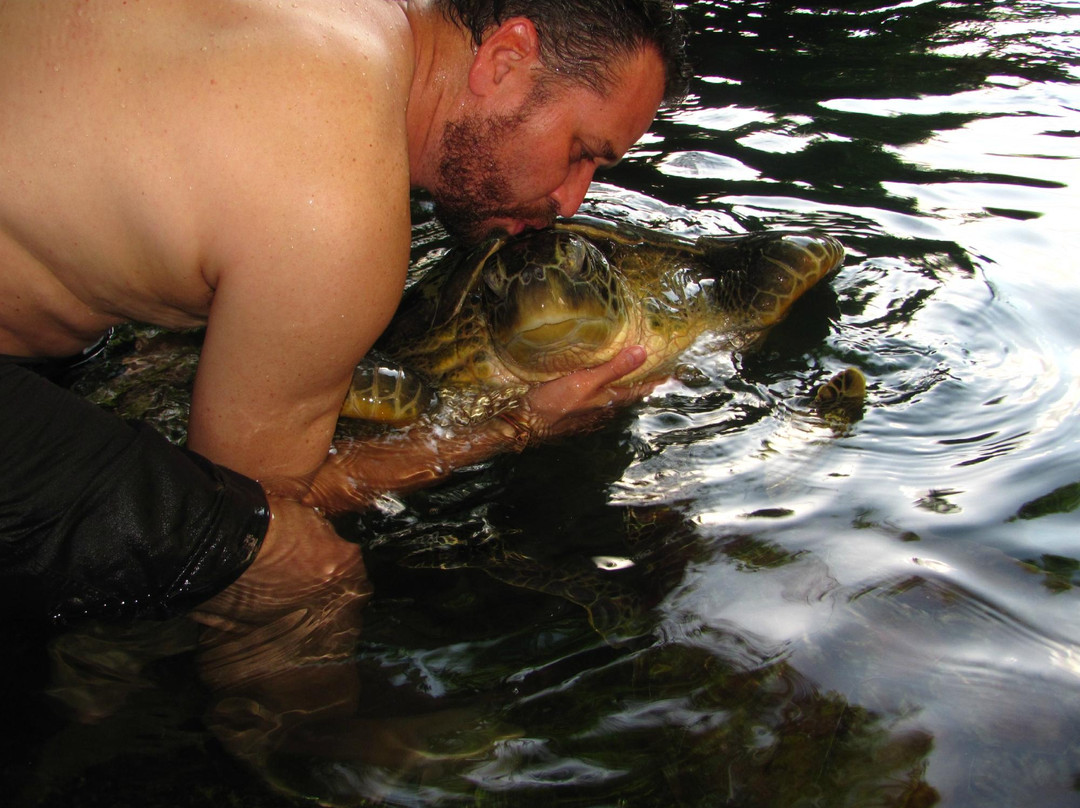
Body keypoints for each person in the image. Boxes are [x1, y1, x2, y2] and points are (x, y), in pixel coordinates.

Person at [0, 0, 691, 623]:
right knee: (295, 567)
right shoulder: (338, 204)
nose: (571, 201)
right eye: (581, 152)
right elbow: (246, 501)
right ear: (505, 60)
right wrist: (512, 428)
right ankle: (293, 757)